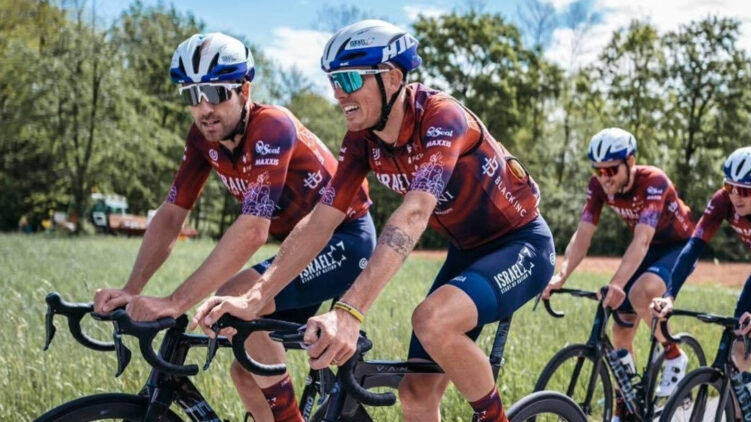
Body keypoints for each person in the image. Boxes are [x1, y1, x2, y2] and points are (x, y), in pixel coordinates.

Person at [191, 20, 555, 422]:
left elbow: (414, 213)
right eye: (333, 81)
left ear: (393, 77)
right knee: (415, 396)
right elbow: (321, 221)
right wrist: (255, 296)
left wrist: (350, 311)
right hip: (466, 251)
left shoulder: (441, 118)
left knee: (431, 320)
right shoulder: (362, 139)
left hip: (521, 244)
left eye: (349, 78)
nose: (338, 93)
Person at [92, 32, 375, 422]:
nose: (204, 108)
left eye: (215, 92)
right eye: (192, 96)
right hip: (299, 248)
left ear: (244, 90)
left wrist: (175, 302)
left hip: (345, 239)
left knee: (234, 296)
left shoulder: (272, 126)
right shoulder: (202, 139)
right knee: (246, 371)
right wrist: (131, 289)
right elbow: (171, 215)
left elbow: (254, 229)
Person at [542, 128, 696, 403]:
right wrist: (561, 276)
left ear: (631, 162)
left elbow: (642, 239)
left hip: (678, 247)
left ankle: (673, 354)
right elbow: (583, 234)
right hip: (647, 247)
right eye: (598, 170)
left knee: (640, 292)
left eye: (611, 170)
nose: (604, 177)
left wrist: (616, 283)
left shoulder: (653, 181)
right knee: (620, 328)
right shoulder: (598, 186)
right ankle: (627, 401)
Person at [652, 146, 751, 375]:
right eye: (730, 187)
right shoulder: (723, 201)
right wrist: (669, 295)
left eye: (744, 190)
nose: (735, 196)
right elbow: (693, 247)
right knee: (739, 343)